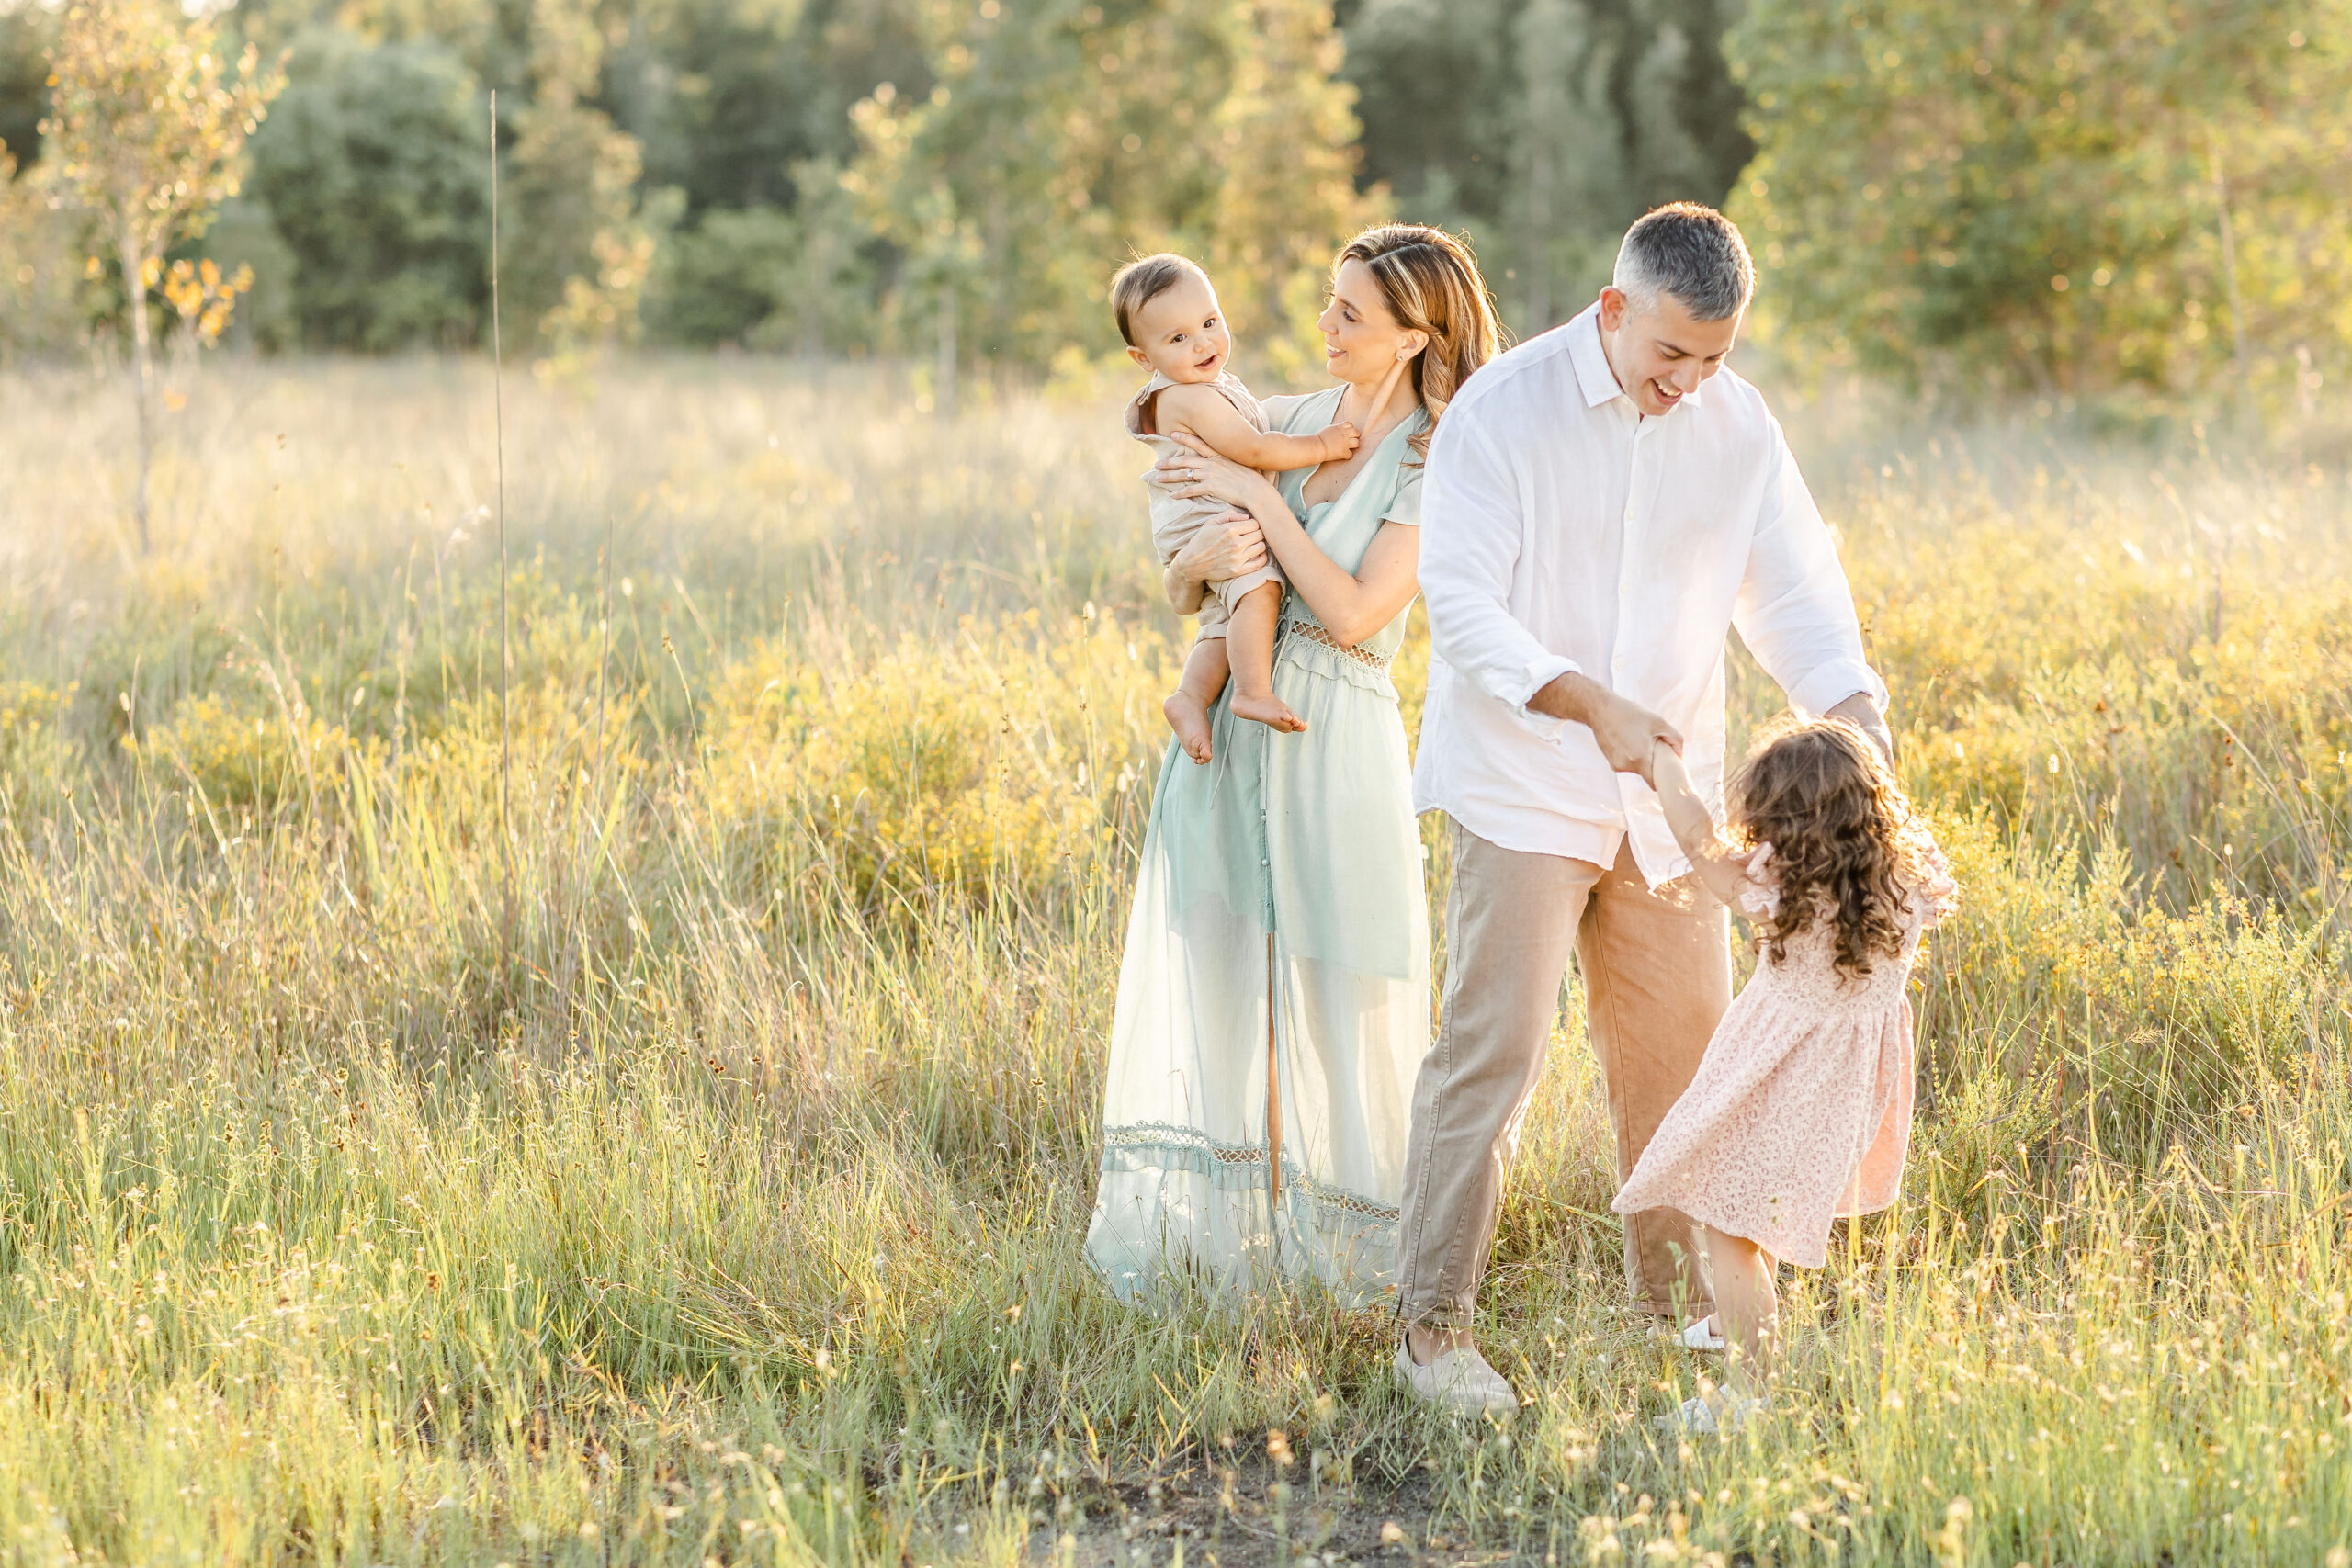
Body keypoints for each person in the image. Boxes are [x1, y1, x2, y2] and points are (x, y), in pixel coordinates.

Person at [1396, 201, 1892, 1416]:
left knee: (1685, 1068)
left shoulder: (1736, 424)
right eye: (1672, 354)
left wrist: (1860, 723)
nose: (1691, 381)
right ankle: (1428, 1330)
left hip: (1671, 808)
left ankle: (1682, 1322)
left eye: (1715, 358)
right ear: (1613, 310)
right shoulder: (1499, 414)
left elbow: (1799, 596)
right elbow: (1458, 606)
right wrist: (1592, 706)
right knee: (1494, 1052)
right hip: (1522, 779)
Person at [1085, 226, 1500, 1306]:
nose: (1321, 326)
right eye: (1328, 302)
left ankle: (1355, 1253)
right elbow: (1187, 570)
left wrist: (1262, 504)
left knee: (1338, 982)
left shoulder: (1435, 455)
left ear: (1415, 336)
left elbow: (1360, 613)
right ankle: (1241, 1244)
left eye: (1349, 314)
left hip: (1336, 731)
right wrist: (1200, 560)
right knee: (1233, 977)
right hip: (1233, 728)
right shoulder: (1288, 420)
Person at [1616, 719, 1956, 1432]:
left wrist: (1662, 762)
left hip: (1779, 1073)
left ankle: (1750, 1391)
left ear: (1781, 820)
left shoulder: (1778, 884)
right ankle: (1743, 1316)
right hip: (1847, 1086)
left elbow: (1697, 838)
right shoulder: (1907, 878)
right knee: (1753, 1207)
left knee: (1728, 1222)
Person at [1111, 254, 1362, 761]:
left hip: (1198, 519)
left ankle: (1189, 697)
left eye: (1209, 323)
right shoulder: (1188, 397)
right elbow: (1252, 450)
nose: (1203, 343)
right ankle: (1251, 690)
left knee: (1221, 622)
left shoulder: (1209, 386)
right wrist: (1322, 445)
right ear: (1144, 359)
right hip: (1206, 517)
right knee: (1261, 589)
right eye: (1178, 338)